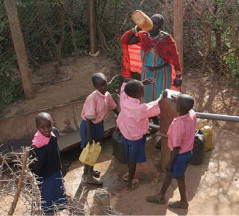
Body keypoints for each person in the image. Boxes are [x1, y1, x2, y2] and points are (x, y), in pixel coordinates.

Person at [127, 13, 182, 127]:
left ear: (160, 26)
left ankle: (163, 128)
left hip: (162, 72)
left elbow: (175, 57)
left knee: (161, 99)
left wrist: (178, 76)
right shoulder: (144, 35)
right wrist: (137, 27)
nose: (152, 25)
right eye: (151, 22)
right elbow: (129, 40)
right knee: (147, 98)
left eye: (155, 24)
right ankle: (154, 124)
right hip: (147, 71)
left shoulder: (166, 39)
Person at [146, 94, 196, 209]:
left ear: (178, 106)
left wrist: (170, 162)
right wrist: (177, 101)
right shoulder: (192, 114)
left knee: (180, 178)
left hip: (179, 155)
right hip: (188, 152)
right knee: (170, 174)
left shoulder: (179, 124)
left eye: (176, 103)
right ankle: (160, 196)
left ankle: (183, 202)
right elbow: (190, 107)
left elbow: (177, 147)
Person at [116, 79, 167, 192]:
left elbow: (124, 86)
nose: (144, 91)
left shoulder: (124, 98)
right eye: (142, 90)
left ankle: (129, 173)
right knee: (133, 159)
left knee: (129, 155)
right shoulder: (139, 109)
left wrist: (141, 83)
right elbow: (153, 106)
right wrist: (161, 97)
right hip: (135, 138)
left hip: (125, 133)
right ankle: (129, 183)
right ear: (136, 95)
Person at [80, 72, 117, 185]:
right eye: (101, 86)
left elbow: (113, 108)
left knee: (94, 150)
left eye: (105, 84)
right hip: (89, 127)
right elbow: (88, 119)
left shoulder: (107, 95)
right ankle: (89, 176)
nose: (104, 87)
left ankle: (87, 171)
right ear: (95, 87)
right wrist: (89, 135)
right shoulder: (93, 98)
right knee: (89, 150)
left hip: (99, 125)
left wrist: (121, 116)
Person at [29, 112, 67, 215]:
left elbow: (56, 151)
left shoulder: (54, 132)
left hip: (56, 172)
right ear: (37, 127)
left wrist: (60, 169)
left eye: (49, 126)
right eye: (43, 127)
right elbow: (34, 167)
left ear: (52, 124)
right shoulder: (36, 146)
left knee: (59, 196)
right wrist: (35, 183)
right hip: (45, 179)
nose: (47, 130)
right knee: (48, 202)